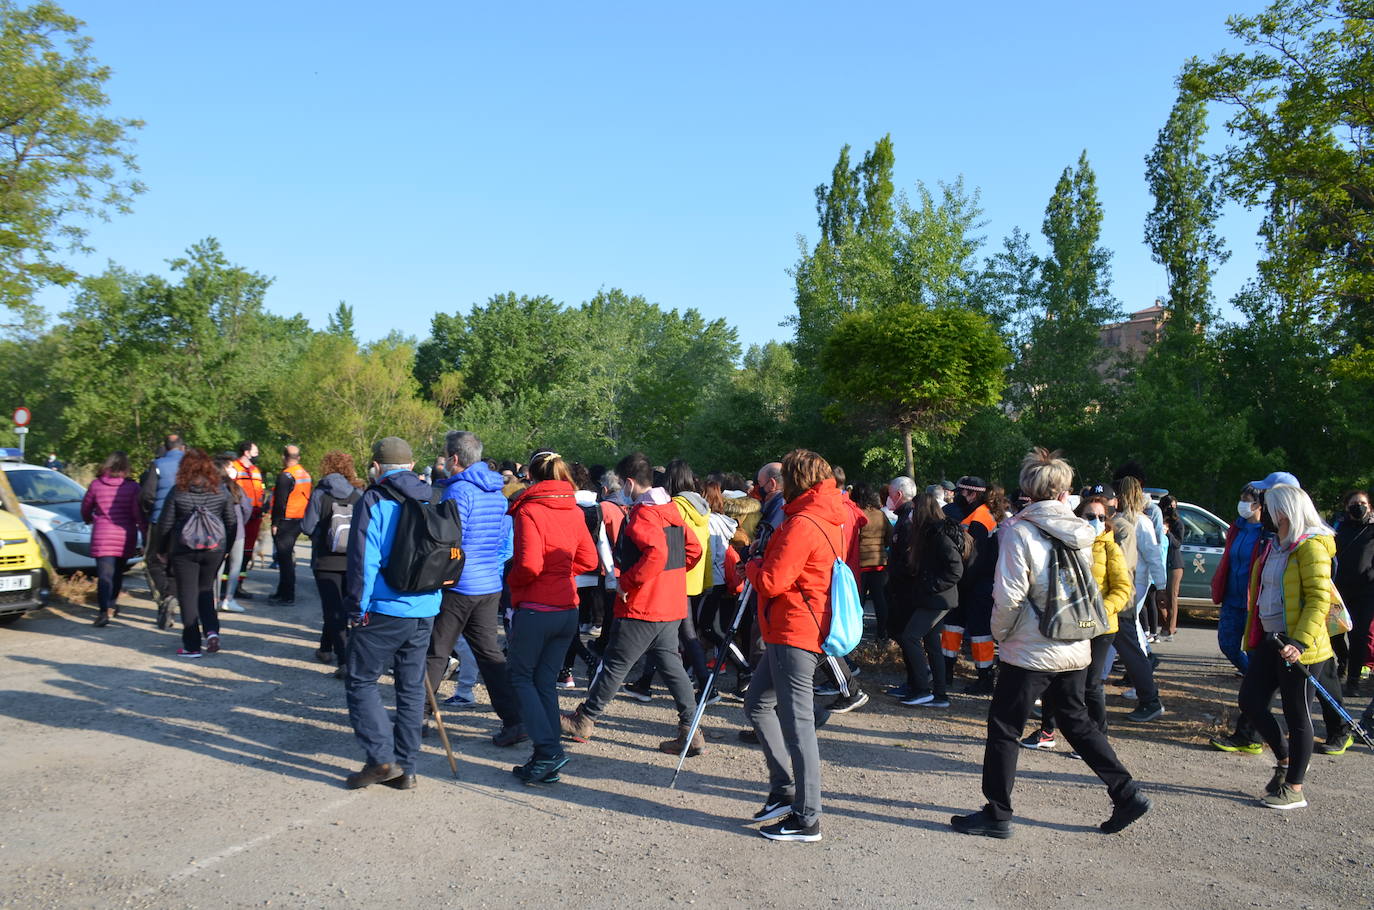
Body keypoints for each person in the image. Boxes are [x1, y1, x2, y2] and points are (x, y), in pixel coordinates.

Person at [951, 447, 1150, 839]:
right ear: (1064, 493)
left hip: (1030, 646)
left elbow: (1008, 596)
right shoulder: (1084, 530)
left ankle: (998, 812)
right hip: (1073, 642)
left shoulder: (1018, 531)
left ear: (1028, 490)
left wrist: (999, 636)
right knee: (1076, 722)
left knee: (1004, 727)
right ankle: (1126, 792)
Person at [561, 452, 704, 758]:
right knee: (671, 666)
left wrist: (628, 583)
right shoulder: (671, 511)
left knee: (614, 663)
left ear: (628, 482)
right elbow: (692, 550)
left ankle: (585, 719)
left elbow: (656, 554)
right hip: (670, 604)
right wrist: (671, 579)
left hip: (642, 605)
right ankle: (690, 731)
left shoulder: (644, 514)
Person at [741, 449, 847, 843]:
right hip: (795, 627)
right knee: (757, 704)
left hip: (794, 630)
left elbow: (771, 581)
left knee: (799, 726)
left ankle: (807, 818)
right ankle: (785, 791)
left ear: (796, 481)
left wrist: (749, 564)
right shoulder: (826, 514)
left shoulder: (802, 522)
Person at [342, 436, 444, 791]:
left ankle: (381, 759)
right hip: (427, 605)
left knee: (361, 679)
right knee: (411, 685)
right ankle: (407, 768)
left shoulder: (375, 498)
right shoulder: (434, 495)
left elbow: (363, 560)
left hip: (385, 608)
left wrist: (356, 608)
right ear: (412, 466)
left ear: (376, 467)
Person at [1238, 483, 1340, 809]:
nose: (1263, 513)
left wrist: (1299, 641)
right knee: (1251, 702)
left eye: (1268, 508)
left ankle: (1294, 787)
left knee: (1297, 715)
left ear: (1283, 512)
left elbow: (1319, 600)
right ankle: (1285, 760)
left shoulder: (1311, 548)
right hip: (1272, 641)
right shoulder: (1276, 545)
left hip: (1300, 647)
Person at [424, 431, 527, 748]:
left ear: (454, 459)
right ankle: (514, 720)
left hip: (459, 585)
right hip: (488, 585)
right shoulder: (497, 492)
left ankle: (415, 717)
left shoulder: (458, 492)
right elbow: (501, 543)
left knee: (437, 651)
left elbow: (450, 542)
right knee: (489, 654)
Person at [505, 450, 600, 784]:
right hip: (567, 607)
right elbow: (589, 560)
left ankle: (548, 751)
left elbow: (529, 565)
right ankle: (546, 755)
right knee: (543, 681)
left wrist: (512, 581)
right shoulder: (573, 509)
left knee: (521, 678)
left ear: (530, 475)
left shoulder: (529, 509)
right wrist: (560, 573)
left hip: (536, 607)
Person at [1022, 495, 1132, 751]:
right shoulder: (1067, 544)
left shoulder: (1110, 548)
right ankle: (1047, 731)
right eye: (1090, 516)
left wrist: (1100, 612)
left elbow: (1122, 589)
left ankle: (1098, 738)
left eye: (1101, 517)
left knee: (1091, 684)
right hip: (1070, 624)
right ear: (1077, 518)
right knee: (1055, 676)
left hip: (1102, 627)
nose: (1096, 521)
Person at [156, 448, 238, 658]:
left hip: (184, 550)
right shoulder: (221, 490)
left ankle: (192, 645)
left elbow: (165, 524)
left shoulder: (178, 491)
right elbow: (231, 522)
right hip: (214, 549)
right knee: (206, 590)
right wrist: (225, 549)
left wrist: (161, 550)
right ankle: (211, 632)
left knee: (188, 595)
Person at [1208, 482, 1271, 753]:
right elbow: (1228, 560)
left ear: (1260, 504)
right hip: (1232, 598)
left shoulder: (1267, 533)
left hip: (1254, 602)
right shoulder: (1238, 527)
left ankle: (1256, 692)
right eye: (1242, 498)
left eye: (1247, 499)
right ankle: (1254, 677)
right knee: (1227, 643)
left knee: (1257, 657)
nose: (1242, 503)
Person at [896, 492, 965, 708]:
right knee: (933, 645)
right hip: (935, 598)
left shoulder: (938, 535)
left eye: (914, 511)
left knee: (909, 637)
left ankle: (922, 689)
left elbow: (955, 569)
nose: (910, 515)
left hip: (938, 599)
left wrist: (931, 586)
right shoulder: (929, 533)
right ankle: (940, 694)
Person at [300, 450, 364, 678]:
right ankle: (325, 648)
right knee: (344, 609)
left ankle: (344, 659)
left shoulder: (320, 493)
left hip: (326, 561)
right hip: (353, 561)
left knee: (332, 609)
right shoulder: (358, 494)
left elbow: (307, 527)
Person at [1113, 477, 1166, 722]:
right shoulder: (1119, 519)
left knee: (1129, 635)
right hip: (1123, 582)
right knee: (1121, 639)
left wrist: (1162, 585)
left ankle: (1148, 691)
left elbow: (1153, 555)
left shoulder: (1141, 522)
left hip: (1135, 582)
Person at [81, 451, 146, 627]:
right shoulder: (132, 487)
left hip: (102, 534)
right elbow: (137, 513)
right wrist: (144, 531)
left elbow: (86, 508)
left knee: (104, 576)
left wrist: (88, 518)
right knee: (117, 574)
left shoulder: (96, 485)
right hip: (125, 535)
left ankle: (103, 612)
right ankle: (111, 605)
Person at [138, 434, 186, 626]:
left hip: (159, 521)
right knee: (176, 563)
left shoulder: (157, 465)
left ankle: (166, 596)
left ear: (166, 448)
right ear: (182, 447)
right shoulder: (192, 465)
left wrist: (152, 510)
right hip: (184, 522)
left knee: (152, 561)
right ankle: (172, 597)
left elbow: (147, 495)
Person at [1334, 489, 1374, 699]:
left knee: (1358, 637)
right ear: (1347, 507)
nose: (1358, 506)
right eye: (1354, 503)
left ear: (1369, 506)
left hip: (1366, 592)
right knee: (1335, 633)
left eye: (1363, 503)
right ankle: (1343, 660)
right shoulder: (1339, 528)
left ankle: (1353, 682)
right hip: (1339, 590)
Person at [268, 445, 312, 605]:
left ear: (284, 457)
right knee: (286, 558)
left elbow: (280, 503)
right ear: (299, 457)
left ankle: (287, 595)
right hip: (298, 519)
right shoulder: (304, 474)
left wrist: (275, 523)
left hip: (286, 521)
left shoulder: (286, 476)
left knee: (284, 559)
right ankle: (282, 592)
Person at [213, 453, 251, 614]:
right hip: (237, 531)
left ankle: (213, 599)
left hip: (216, 533)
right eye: (231, 467)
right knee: (235, 566)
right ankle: (228, 599)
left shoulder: (211, 488)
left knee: (217, 567)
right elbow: (247, 509)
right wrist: (242, 523)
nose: (234, 470)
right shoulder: (237, 489)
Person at [854, 483, 893, 643]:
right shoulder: (880, 514)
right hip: (879, 563)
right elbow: (890, 537)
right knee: (880, 601)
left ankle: (856, 635)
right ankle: (882, 633)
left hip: (861, 565)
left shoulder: (857, 515)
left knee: (858, 602)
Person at [228, 442, 266, 599]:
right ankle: (226, 586)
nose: (258, 454)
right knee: (232, 550)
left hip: (255, 515)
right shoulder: (234, 467)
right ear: (246, 452)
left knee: (247, 552)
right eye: (255, 451)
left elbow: (260, 491)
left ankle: (239, 584)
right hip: (239, 513)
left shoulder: (256, 471)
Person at [1157, 495, 1184, 640]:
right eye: (1168, 506)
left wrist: (1168, 533)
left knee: (1172, 596)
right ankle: (1165, 625)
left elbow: (1178, 544)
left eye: (1173, 506)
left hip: (1174, 564)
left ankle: (1171, 628)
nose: (1170, 509)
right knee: (1160, 597)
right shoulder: (1158, 520)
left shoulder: (1178, 523)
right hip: (1161, 562)